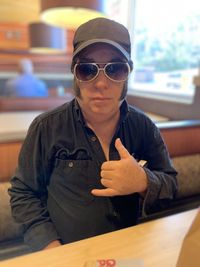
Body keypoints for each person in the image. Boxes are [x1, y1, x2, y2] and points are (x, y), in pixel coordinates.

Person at [9, 18, 177, 251]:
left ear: (128, 73)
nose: (100, 83)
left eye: (115, 69)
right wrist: (52, 250)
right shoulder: (45, 127)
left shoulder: (144, 127)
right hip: (65, 255)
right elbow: (23, 194)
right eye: (87, 69)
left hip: (130, 251)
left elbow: (171, 184)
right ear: (74, 73)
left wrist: (143, 181)